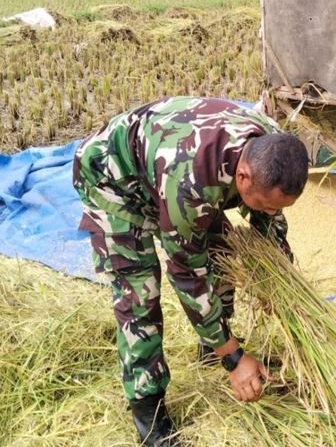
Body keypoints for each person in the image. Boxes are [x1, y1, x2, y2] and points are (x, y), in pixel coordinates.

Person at [72, 96, 309, 447]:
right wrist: (233, 358)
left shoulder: (272, 147)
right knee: (140, 294)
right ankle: (148, 415)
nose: (271, 210)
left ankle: (209, 345)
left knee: (225, 253)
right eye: (265, 203)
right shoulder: (192, 185)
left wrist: (278, 284)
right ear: (243, 177)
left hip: (168, 167)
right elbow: (186, 276)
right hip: (113, 180)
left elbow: (270, 224)